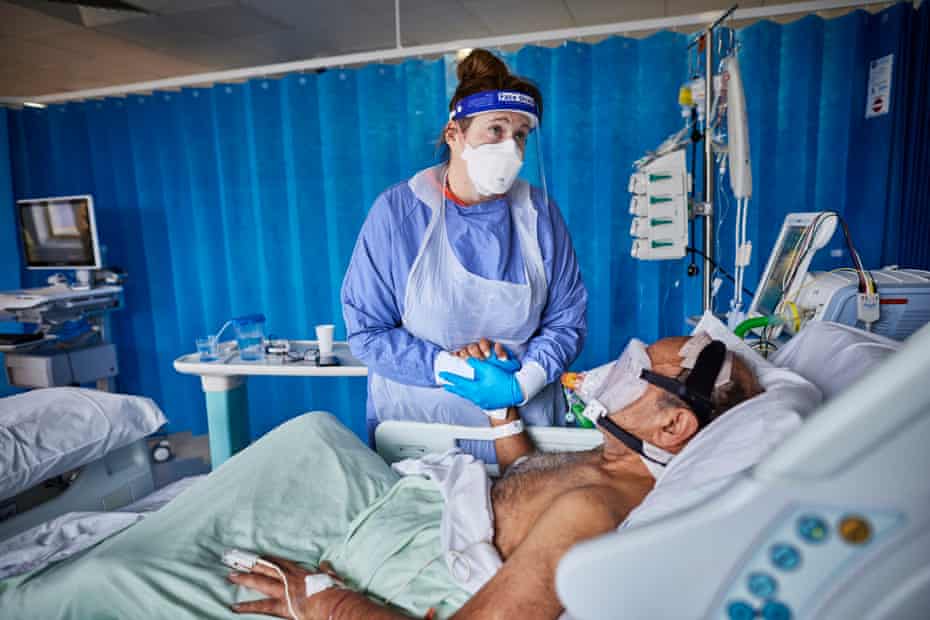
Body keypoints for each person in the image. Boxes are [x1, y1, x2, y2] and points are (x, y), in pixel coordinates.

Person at [227, 334, 765, 619]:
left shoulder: (597, 511)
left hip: (385, 566)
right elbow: (531, 488)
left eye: (633, 373)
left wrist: (327, 605)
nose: (612, 376)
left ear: (673, 424)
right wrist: (501, 414)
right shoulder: (615, 460)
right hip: (413, 507)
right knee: (315, 432)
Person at [341, 49, 588, 461]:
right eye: (496, 130)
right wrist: (453, 370)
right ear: (455, 133)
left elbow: (567, 321)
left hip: (526, 434)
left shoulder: (539, 214)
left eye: (521, 134)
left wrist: (523, 382)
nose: (511, 147)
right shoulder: (400, 214)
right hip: (420, 438)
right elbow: (367, 332)